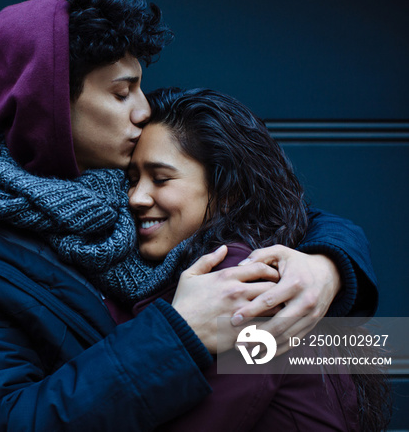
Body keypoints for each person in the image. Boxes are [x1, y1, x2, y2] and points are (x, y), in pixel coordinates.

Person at [0, 0, 378, 430]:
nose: (143, 108)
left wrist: (327, 266)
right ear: (49, 104)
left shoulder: (122, 180)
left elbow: (270, 211)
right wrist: (180, 336)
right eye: (122, 93)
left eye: (139, 84)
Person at [116, 87, 390, 431]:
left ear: (227, 192)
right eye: (132, 180)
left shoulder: (243, 288)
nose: (136, 198)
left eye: (160, 179)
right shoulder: (237, 262)